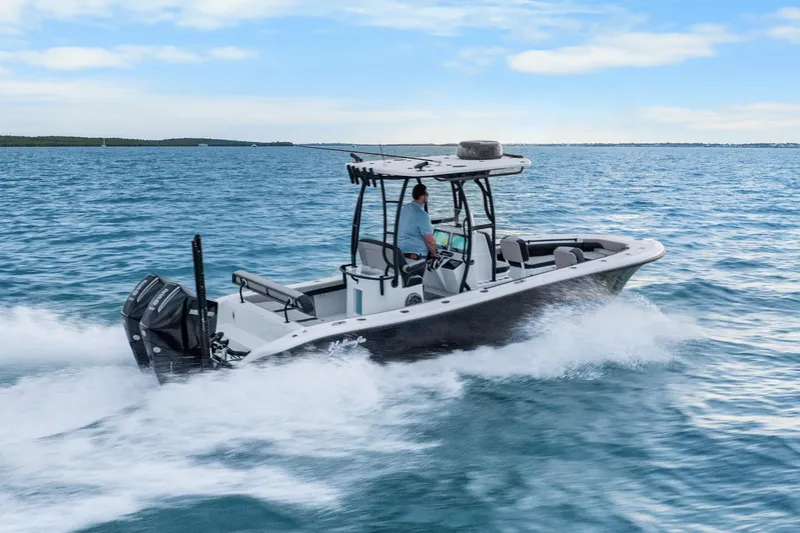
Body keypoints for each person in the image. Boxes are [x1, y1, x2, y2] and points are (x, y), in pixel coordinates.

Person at [398, 183, 438, 261]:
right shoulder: (422, 215)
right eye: (427, 194)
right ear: (422, 196)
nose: (427, 197)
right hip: (416, 255)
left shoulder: (404, 208)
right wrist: (434, 254)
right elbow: (430, 241)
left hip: (400, 251)